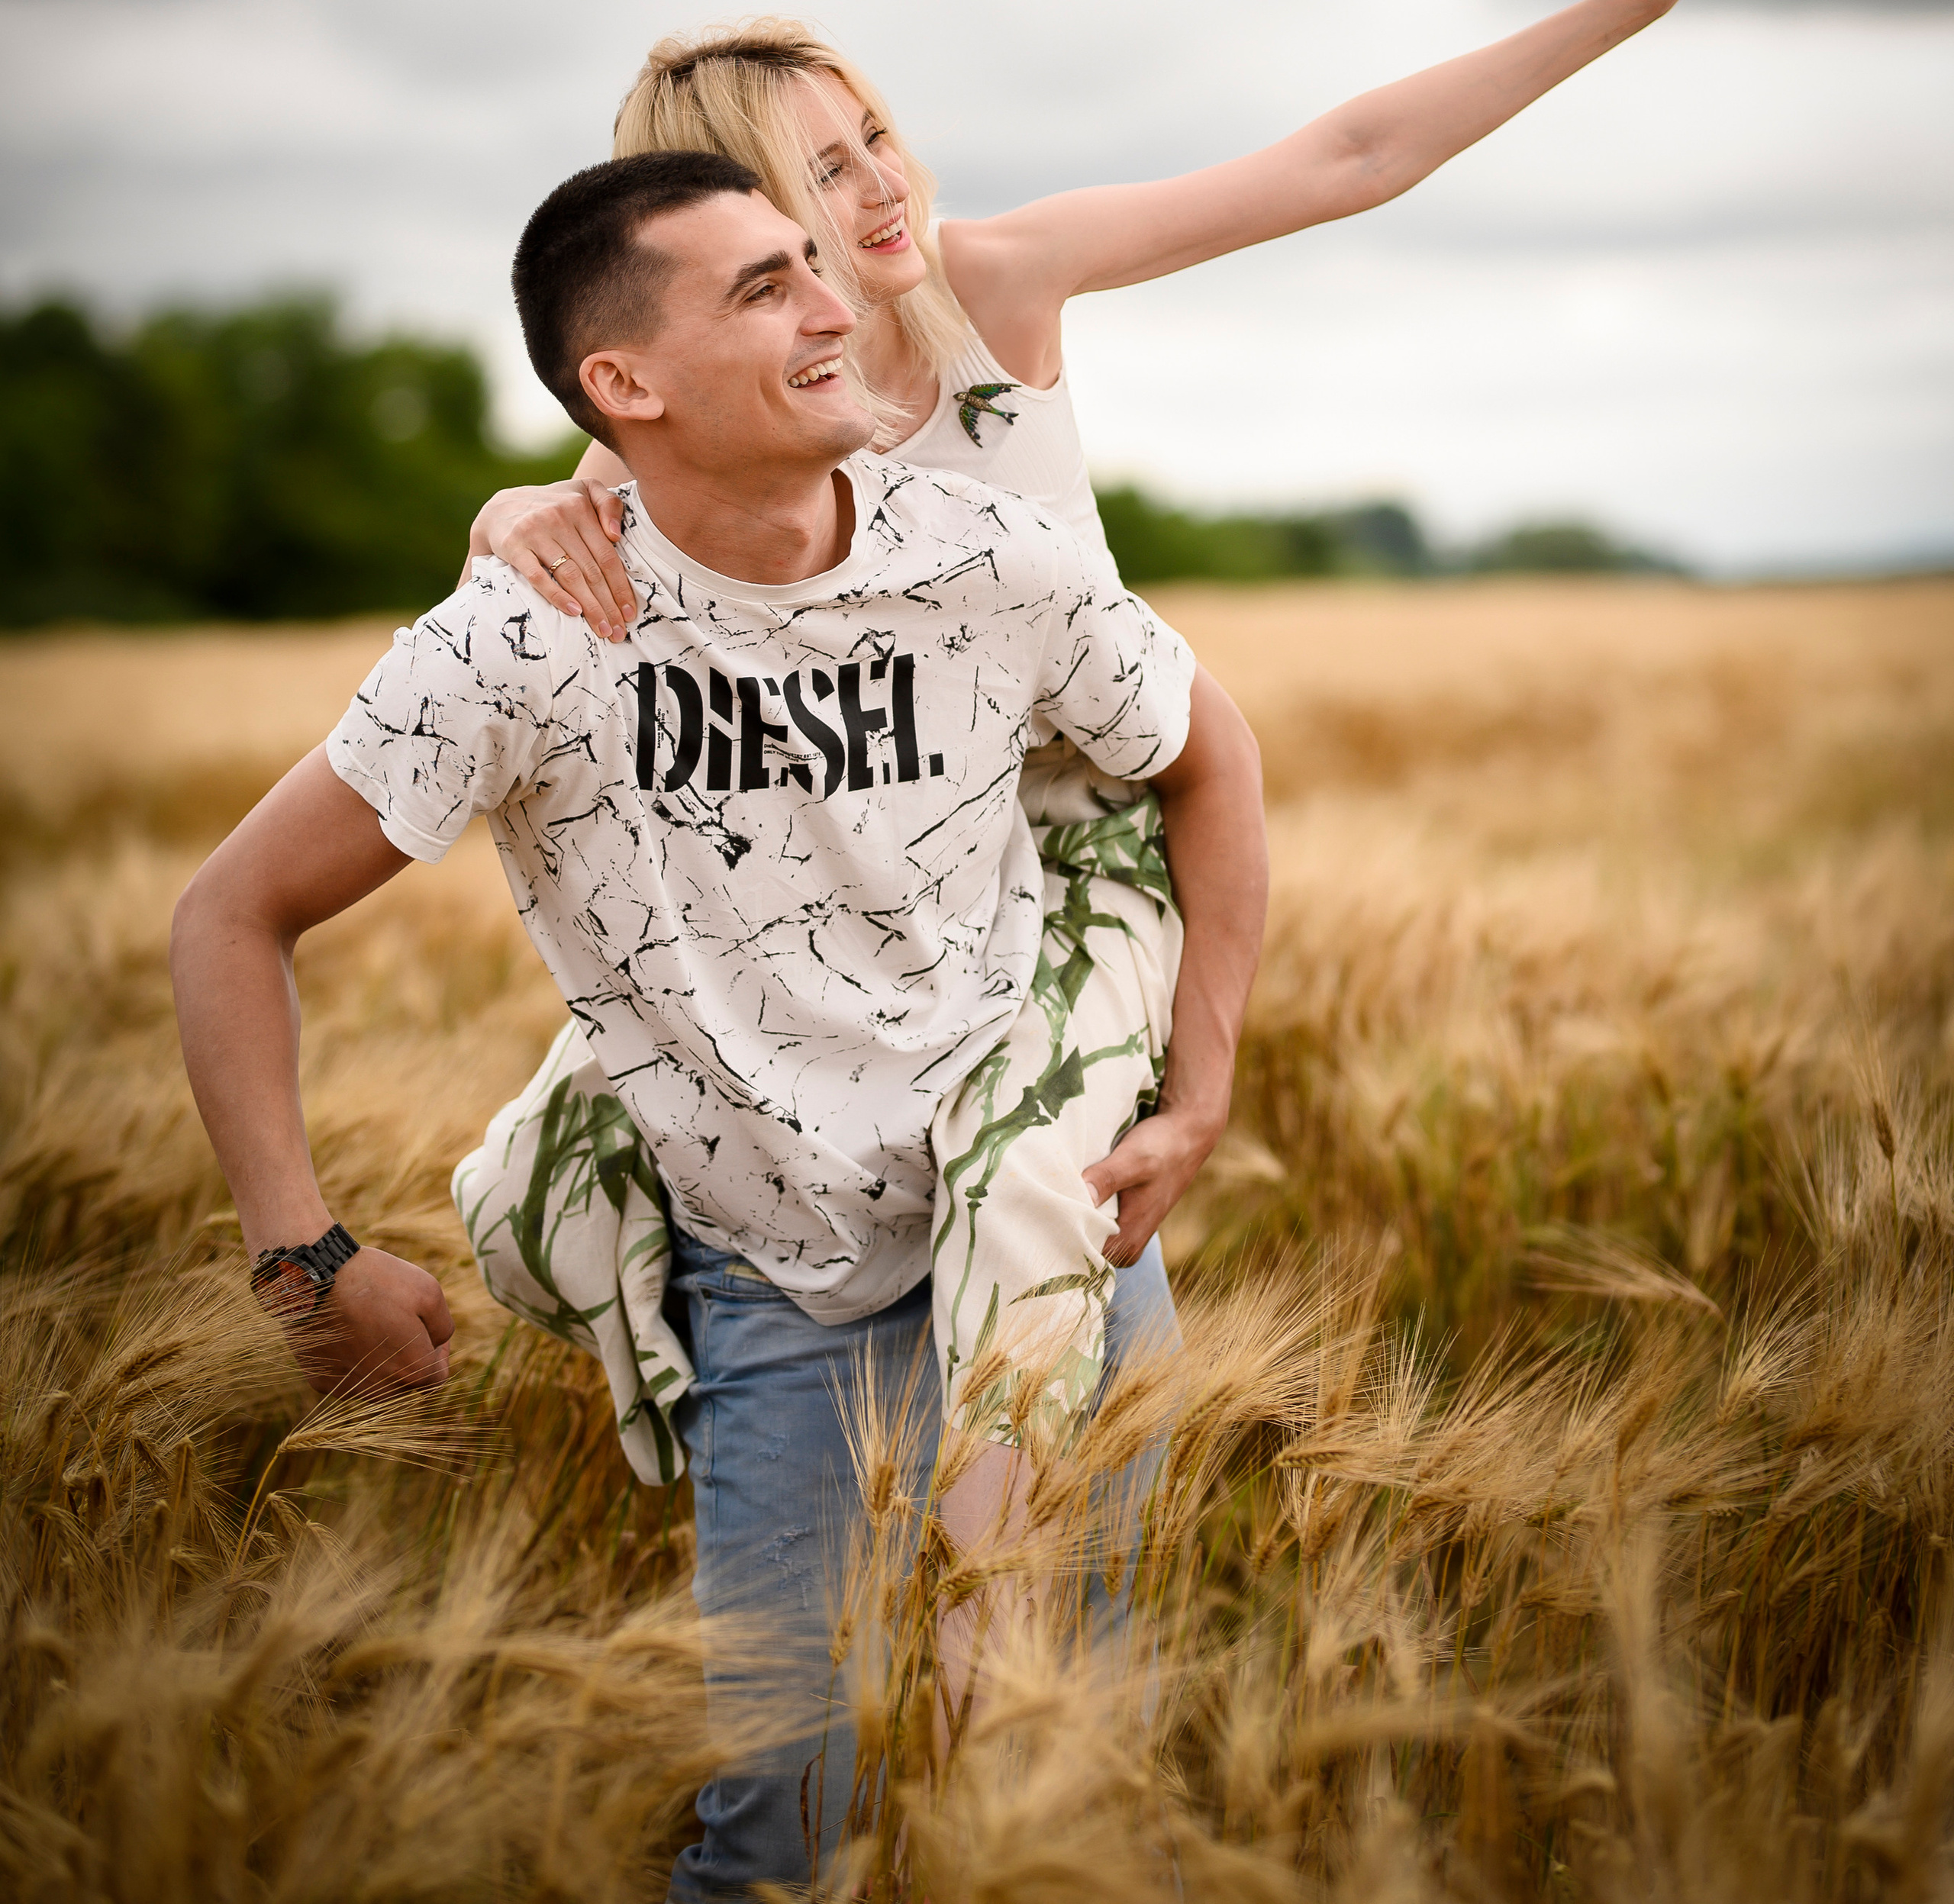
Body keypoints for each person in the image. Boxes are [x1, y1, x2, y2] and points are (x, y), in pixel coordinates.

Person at [459, 0, 1715, 1382]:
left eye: (874, 138)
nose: (877, 187)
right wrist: (502, 511)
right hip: (862, 885)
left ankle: (1023, 1588)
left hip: (1076, 854)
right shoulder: (678, 419)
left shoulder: (990, 282)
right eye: (818, 170)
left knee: (1028, 1196)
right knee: (530, 1194)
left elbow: (1343, 159)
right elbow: (531, 575)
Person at [171, 149, 1267, 1901]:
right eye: (764, 287)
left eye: (817, 269)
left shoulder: (993, 559)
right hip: (782, 1285)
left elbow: (1208, 757)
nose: (839, 307)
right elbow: (229, 912)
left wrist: (1198, 1086)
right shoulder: (520, 641)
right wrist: (298, 1256)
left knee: (1074, 1770)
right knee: (785, 1826)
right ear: (624, 385)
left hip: (1065, 1248)